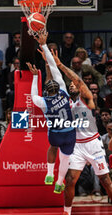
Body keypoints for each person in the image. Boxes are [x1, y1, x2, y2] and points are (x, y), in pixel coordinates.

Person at [48, 45, 112, 215]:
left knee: (105, 180)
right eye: (72, 85)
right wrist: (49, 63)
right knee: (69, 180)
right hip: (76, 146)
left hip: (92, 144)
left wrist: (60, 64)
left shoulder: (87, 98)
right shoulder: (66, 102)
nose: (74, 84)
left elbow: (77, 80)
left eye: (76, 83)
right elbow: (55, 83)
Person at [29, 32, 76, 194]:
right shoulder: (64, 91)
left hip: (55, 133)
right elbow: (55, 68)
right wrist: (44, 45)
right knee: (65, 158)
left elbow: (33, 95)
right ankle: (59, 182)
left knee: (53, 147)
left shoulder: (43, 102)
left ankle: (49, 173)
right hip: (69, 132)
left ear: (46, 92)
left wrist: (35, 77)